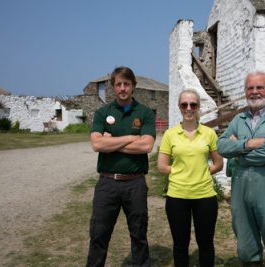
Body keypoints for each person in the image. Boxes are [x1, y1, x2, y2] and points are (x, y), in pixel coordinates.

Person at [216, 71, 265, 267]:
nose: (255, 92)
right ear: (245, 91)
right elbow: (221, 146)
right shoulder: (238, 120)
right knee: (246, 247)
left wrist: (239, 153)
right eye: (250, 88)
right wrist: (248, 144)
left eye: (260, 87)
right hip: (241, 192)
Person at [86, 66, 156, 267]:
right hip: (107, 183)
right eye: (119, 84)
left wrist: (112, 142)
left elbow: (147, 145)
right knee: (99, 234)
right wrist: (130, 138)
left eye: (127, 84)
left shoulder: (144, 113)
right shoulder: (102, 113)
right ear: (113, 87)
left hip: (135, 184)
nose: (123, 88)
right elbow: (97, 144)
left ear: (133, 86)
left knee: (139, 234)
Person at [157, 89, 223, 267]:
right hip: (177, 196)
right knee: (180, 246)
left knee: (206, 245)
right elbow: (162, 166)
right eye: (184, 104)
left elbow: (218, 163)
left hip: (205, 196)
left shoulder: (209, 133)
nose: (188, 108)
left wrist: (202, 171)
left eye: (193, 104)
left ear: (198, 107)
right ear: (179, 107)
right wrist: (183, 172)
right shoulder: (170, 134)